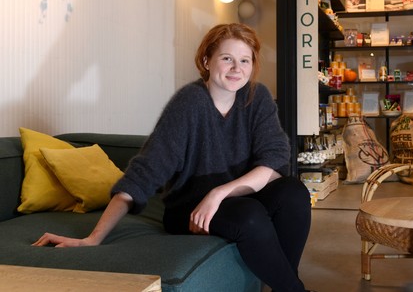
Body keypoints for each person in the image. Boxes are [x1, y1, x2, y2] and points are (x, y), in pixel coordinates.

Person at [33, 23, 313, 292]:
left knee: (294, 192)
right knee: (251, 215)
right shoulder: (189, 103)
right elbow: (146, 173)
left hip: (231, 197)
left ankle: (286, 286)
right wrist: (93, 238)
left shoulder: (256, 96)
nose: (236, 69)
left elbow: (275, 160)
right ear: (206, 60)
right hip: (189, 208)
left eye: (245, 60)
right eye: (227, 58)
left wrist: (218, 193)